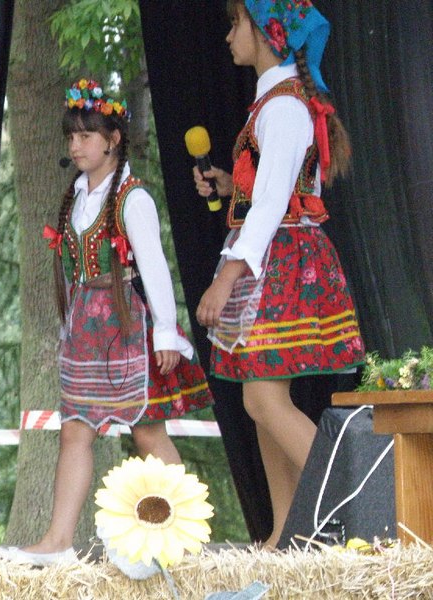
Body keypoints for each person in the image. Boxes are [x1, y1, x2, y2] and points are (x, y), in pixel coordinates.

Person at [0, 78, 214, 566]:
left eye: (86, 136)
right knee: (76, 429)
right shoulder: (77, 196)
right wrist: (67, 326)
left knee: (147, 431)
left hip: (126, 327)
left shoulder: (132, 197)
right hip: (85, 329)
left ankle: (189, 540)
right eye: (71, 137)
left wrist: (166, 331)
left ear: (113, 139)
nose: (75, 146)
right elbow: (71, 269)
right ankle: (57, 541)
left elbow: (154, 267)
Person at [193, 1, 365, 548]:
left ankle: (364, 512)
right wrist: (230, 185)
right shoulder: (277, 102)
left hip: (284, 262)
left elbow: (271, 206)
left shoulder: (285, 106)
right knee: (260, 397)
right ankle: (286, 533)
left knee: (264, 400)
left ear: (267, 33)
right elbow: (276, 189)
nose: (228, 37)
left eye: (235, 23)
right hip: (277, 255)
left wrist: (225, 278)